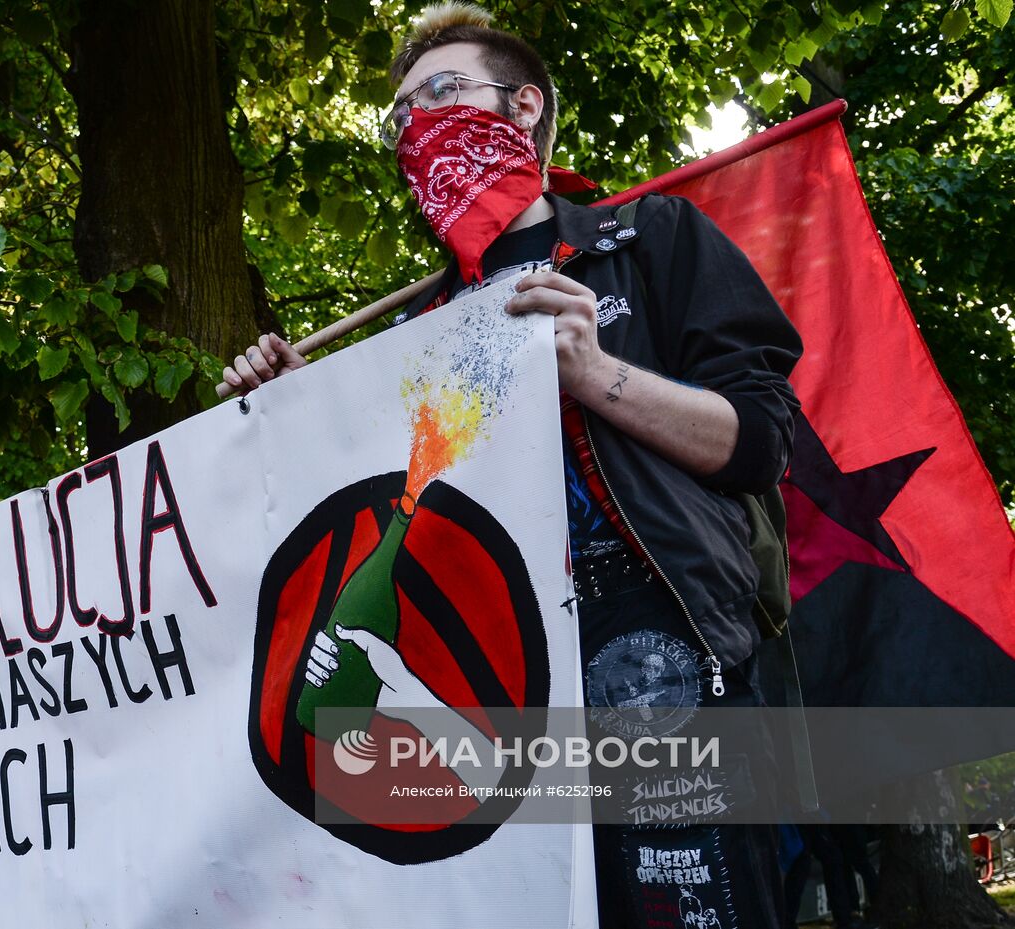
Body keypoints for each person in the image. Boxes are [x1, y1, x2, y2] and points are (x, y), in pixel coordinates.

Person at [222, 4, 802, 927]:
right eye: (403, 116)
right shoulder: (414, 336)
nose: (421, 126)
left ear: (523, 106)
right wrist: (299, 414)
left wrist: (594, 372)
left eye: (444, 92)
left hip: (650, 641)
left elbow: (763, 443)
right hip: (484, 672)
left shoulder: (650, 240)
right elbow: (380, 516)